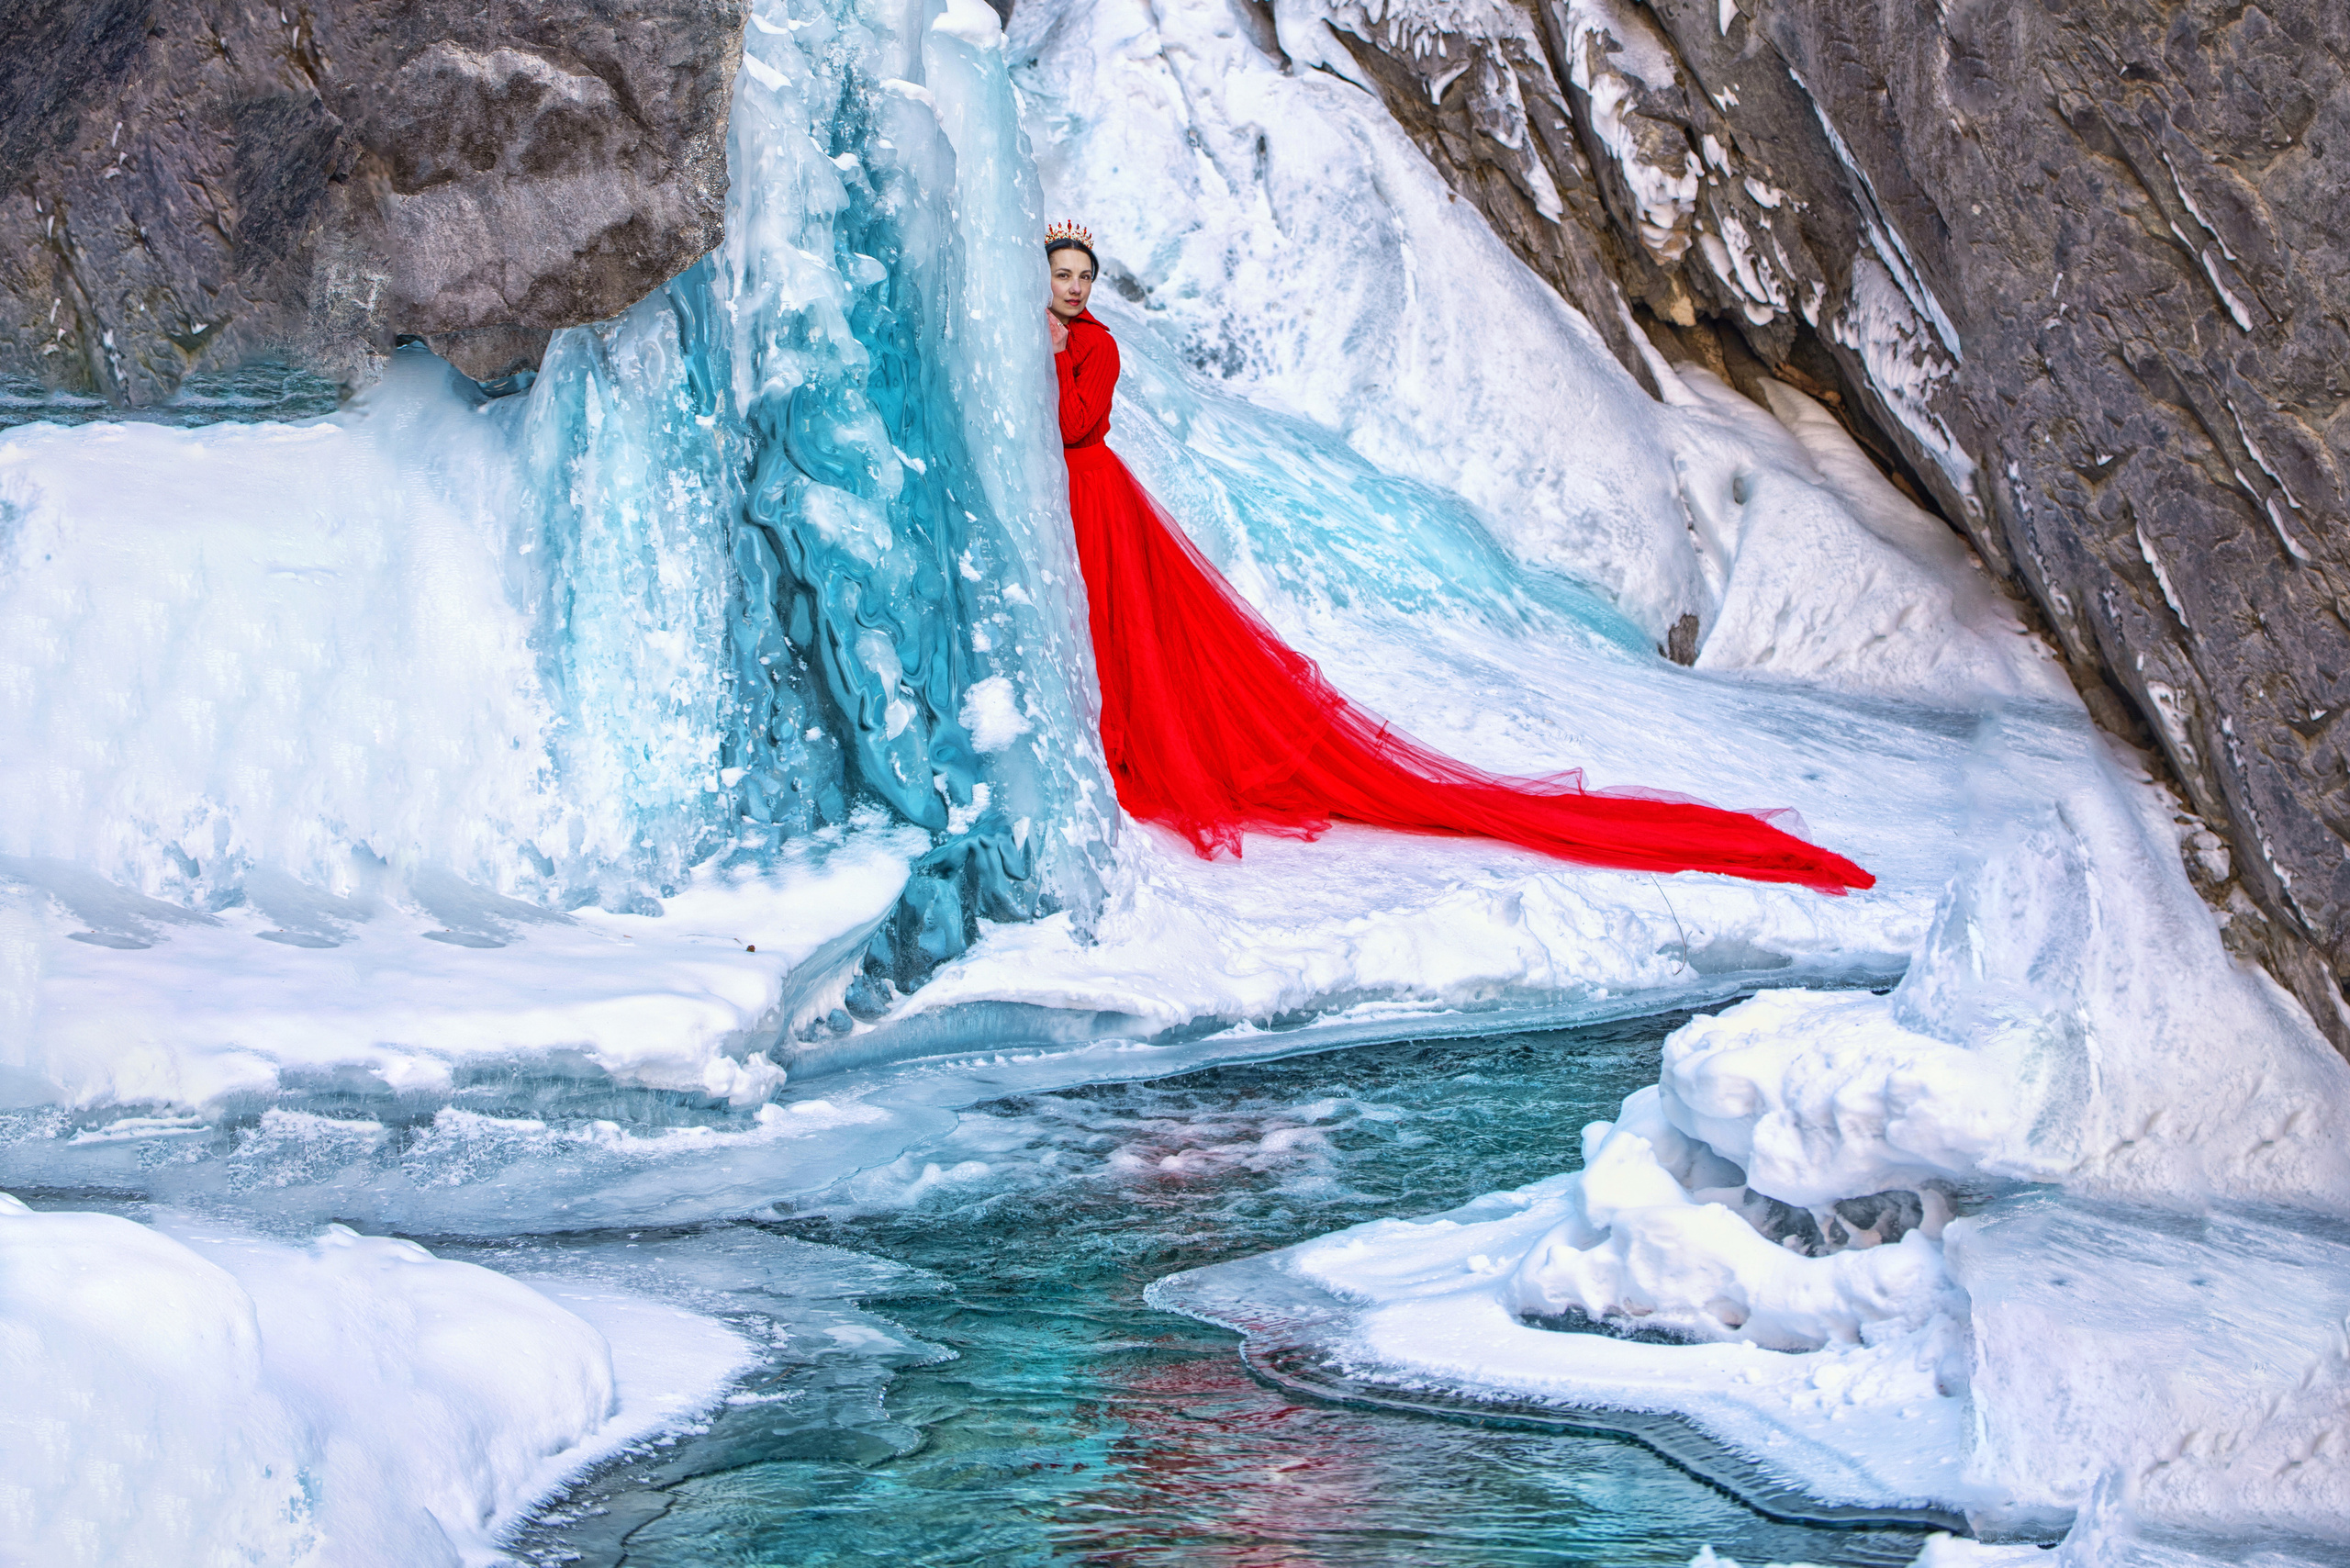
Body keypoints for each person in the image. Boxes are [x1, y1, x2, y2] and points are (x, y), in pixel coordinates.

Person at [1043, 220, 1873, 895]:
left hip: (1100, 497)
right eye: (1063, 275)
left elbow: (1078, 423)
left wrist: (1052, 351)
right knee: (1104, 628)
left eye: (1084, 275)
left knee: (1124, 628)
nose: (1075, 287)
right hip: (1074, 497)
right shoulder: (1055, 329)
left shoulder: (1098, 346)